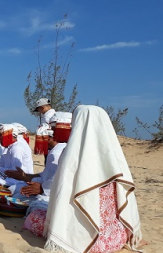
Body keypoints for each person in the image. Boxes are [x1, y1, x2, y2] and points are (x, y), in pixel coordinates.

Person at [43, 105, 142, 252]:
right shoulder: (114, 155)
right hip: (114, 238)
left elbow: (62, 195)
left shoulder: (71, 154)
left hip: (84, 239)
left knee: (35, 216)